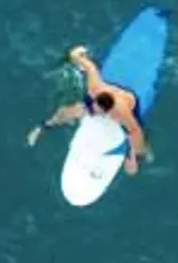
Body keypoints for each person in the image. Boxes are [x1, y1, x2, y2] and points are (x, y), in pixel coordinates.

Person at [28, 46, 151, 174]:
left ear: (108, 111)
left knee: (138, 139)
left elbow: (135, 131)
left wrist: (135, 157)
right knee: (67, 111)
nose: (94, 114)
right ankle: (42, 127)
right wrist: (75, 55)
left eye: (98, 112)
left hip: (129, 102)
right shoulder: (94, 87)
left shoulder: (122, 112)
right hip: (103, 96)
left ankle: (145, 154)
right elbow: (89, 66)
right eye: (94, 109)